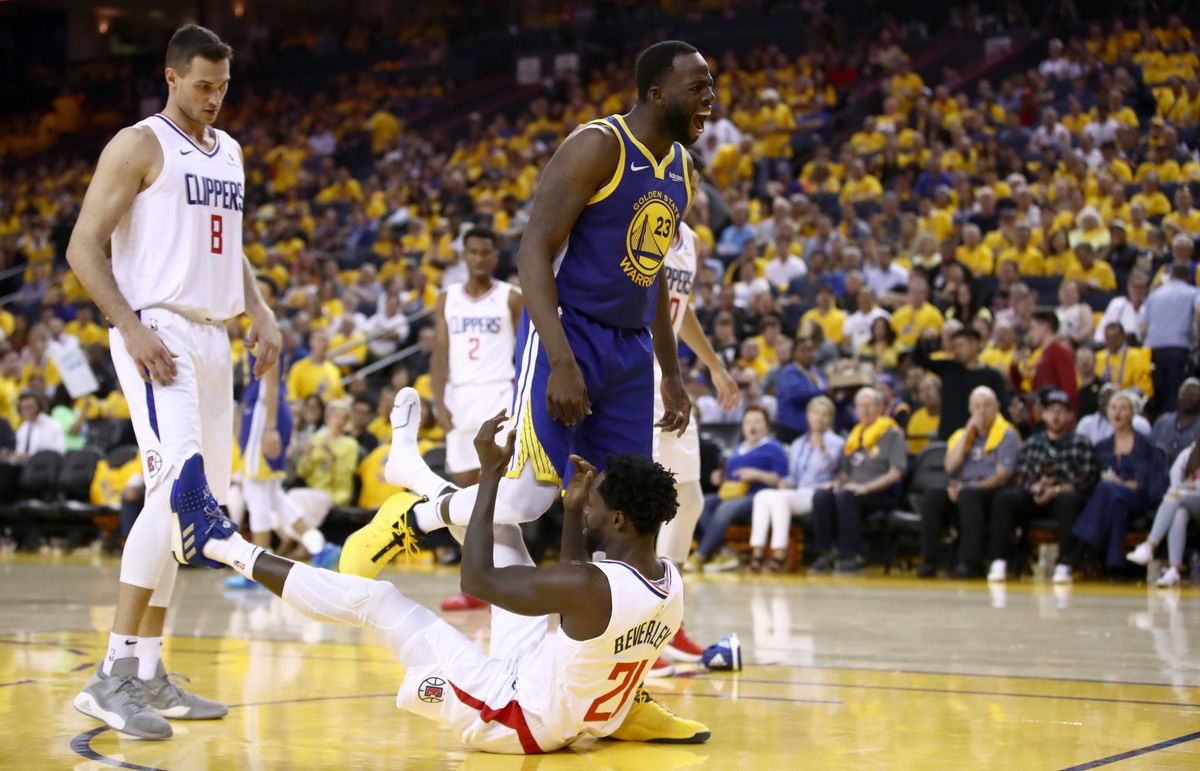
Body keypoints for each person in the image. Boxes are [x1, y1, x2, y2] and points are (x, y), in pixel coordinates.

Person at [351, 40, 711, 741]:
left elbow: (659, 279)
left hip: (633, 351)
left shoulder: (681, 172)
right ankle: (417, 510)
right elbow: (532, 251)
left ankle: (625, 693)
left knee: (625, 518)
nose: (708, 99)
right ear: (656, 91)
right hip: (568, 334)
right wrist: (560, 357)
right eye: (696, 87)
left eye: (710, 87)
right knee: (521, 500)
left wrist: (671, 370)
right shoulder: (597, 147)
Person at [177, 412, 710, 753]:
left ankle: (221, 544)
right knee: (506, 536)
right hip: (562, 698)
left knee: (377, 598)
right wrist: (573, 514)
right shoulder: (669, 582)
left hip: (514, 718)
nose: (585, 500)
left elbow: (476, 578)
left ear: (618, 520)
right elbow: (572, 595)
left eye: (594, 500)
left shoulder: (592, 586)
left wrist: (490, 477)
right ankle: (415, 476)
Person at [66, 25, 281, 738]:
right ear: (170, 76)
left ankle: (151, 669)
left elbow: (230, 245)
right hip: (157, 331)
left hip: (214, 333)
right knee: (174, 490)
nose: (215, 97)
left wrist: (260, 308)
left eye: (223, 86)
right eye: (202, 85)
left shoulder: (233, 153)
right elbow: (82, 245)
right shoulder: (138, 143)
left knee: (197, 508)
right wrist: (129, 325)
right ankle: (113, 673)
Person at [649, 155, 740, 663]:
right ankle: (636, 625)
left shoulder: (692, 242)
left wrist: (716, 367)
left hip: (671, 375)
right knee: (646, 502)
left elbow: (681, 314)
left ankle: (667, 624)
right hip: (637, 372)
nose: (689, 190)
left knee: (690, 498)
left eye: (695, 184)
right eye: (682, 180)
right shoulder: (644, 227)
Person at [227, 276, 339, 591]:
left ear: (272, 298)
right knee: (273, 496)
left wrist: (272, 427)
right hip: (262, 411)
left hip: (266, 411)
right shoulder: (258, 326)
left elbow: (272, 382)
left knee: (255, 491)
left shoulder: (267, 325)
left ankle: (258, 570)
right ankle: (320, 547)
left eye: (261, 292)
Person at [431, 227, 522, 489]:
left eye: (485, 253)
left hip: (498, 393)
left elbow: (528, 350)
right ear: (464, 257)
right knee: (463, 484)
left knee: (501, 482)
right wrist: (439, 402)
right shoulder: (447, 298)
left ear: (495, 258)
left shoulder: (511, 297)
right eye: (473, 252)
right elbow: (439, 353)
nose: (479, 258)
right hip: (459, 395)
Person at [989, 389, 1097, 585]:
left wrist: (1056, 489)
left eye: (1061, 411)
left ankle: (1065, 564)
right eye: (1050, 410)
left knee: (1070, 500)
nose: (1056, 416)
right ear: (1043, 414)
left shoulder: (1081, 443)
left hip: (1064, 500)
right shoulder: (1032, 443)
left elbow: (1087, 478)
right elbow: (1020, 475)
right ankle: (999, 560)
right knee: (1005, 498)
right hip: (1035, 497)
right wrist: (1036, 487)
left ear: (1071, 415)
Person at [918, 387, 1021, 579]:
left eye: (987, 405)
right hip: (965, 488)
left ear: (997, 407)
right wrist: (967, 433)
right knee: (933, 497)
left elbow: (1003, 475)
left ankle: (970, 562)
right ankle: (929, 561)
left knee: (969, 495)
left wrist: (967, 488)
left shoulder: (1007, 434)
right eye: (977, 406)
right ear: (970, 409)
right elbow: (950, 466)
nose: (981, 411)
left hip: (994, 492)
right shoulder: (962, 435)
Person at [1068, 390, 1167, 574]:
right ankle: (1115, 564)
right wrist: (1118, 485)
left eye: (1123, 408)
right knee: (1115, 503)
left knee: (1107, 489)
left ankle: (1081, 546)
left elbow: (1152, 483)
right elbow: (1092, 479)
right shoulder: (1102, 447)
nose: (1117, 412)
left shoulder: (1145, 445)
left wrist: (1133, 484)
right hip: (1113, 500)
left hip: (1139, 500)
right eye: (1113, 408)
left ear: (1132, 413)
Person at [811, 387, 907, 574]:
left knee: (847, 496)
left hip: (882, 492)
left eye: (869, 406)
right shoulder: (854, 435)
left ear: (880, 408)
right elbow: (845, 473)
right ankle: (824, 553)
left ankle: (851, 555)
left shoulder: (892, 433)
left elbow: (896, 473)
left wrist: (866, 487)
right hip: (853, 489)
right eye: (860, 406)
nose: (864, 410)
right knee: (822, 495)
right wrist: (836, 483)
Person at [686, 406, 788, 573]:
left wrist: (757, 475)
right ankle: (726, 551)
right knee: (701, 503)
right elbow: (729, 476)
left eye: (757, 421)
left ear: (767, 426)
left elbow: (780, 480)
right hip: (731, 493)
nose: (752, 426)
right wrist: (719, 478)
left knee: (727, 508)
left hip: (757, 495)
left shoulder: (774, 448)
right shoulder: (736, 450)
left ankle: (702, 554)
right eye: (748, 422)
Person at [748, 397, 842, 572]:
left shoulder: (836, 443)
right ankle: (757, 550)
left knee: (779, 500)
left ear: (830, 419)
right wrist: (786, 482)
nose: (819, 418)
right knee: (763, 496)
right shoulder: (799, 443)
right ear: (808, 416)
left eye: (825, 415)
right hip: (799, 491)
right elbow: (794, 476)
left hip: (818, 492)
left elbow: (835, 469)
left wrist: (822, 448)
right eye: (815, 413)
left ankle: (779, 552)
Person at [1127, 438, 1200, 588]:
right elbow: (1174, 480)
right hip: (1188, 500)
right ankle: (1174, 568)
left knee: (1175, 497)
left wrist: (1185, 488)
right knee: (1179, 511)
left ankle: (1150, 546)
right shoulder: (1189, 453)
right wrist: (1186, 487)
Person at [914, 327, 1008, 440]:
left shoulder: (992, 376)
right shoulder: (949, 368)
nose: (957, 350)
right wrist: (924, 340)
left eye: (960, 346)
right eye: (955, 347)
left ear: (974, 345)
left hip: (979, 440)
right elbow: (920, 360)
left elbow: (1002, 409)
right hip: (947, 438)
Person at [1143, 262, 1200, 412]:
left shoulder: (1154, 294)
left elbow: (1143, 327)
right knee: (1175, 397)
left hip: (1153, 350)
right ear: (1188, 277)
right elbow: (1199, 311)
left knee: (1159, 397)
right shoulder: (1193, 292)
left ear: (1171, 276)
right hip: (1178, 348)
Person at [1013, 310, 1078, 412]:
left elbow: (1070, 390)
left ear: (1045, 327)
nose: (1029, 334)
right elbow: (1025, 388)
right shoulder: (1041, 354)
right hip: (1042, 417)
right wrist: (1014, 367)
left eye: (1032, 328)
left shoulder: (1060, 351)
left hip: (1055, 420)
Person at [773, 336, 828, 443]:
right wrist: (826, 392)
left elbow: (827, 399)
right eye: (803, 351)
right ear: (793, 353)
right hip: (793, 429)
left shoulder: (818, 373)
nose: (808, 354)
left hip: (817, 427)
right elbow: (796, 395)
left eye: (811, 350)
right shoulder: (789, 372)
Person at [1076, 383, 1153, 444]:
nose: (1106, 400)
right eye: (1103, 397)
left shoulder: (1138, 423)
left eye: (1111, 396)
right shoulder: (1086, 423)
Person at [1095, 321, 1154, 398]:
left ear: (1124, 337)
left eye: (1115, 337)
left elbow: (1143, 388)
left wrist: (1121, 394)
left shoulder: (1137, 355)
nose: (1111, 341)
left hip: (1130, 399)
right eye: (1108, 338)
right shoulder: (1097, 357)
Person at [1152, 378, 1200, 463]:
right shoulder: (1162, 422)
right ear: (1178, 395)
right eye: (1185, 392)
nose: (1188, 396)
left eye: (1193, 394)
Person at [1093, 270, 1149, 344]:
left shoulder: (1148, 308)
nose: (1138, 291)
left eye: (1142, 287)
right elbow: (1103, 331)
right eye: (1135, 287)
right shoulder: (1118, 304)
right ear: (1129, 287)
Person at [13, 390, 66, 457]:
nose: (27, 411)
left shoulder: (52, 425)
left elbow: (58, 452)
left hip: (46, 464)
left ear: (39, 406)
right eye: (23, 408)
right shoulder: (23, 428)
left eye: (30, 407)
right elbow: (19, 450)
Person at [906, 374, 941, 454]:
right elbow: (912, 451)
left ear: (939, 391)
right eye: (922, 390)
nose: (926, 394)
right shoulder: (915, 419)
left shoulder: (951, 415)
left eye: (929, 388)